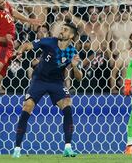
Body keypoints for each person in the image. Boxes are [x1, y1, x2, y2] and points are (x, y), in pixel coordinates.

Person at [12, 23, 82, 158]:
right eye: (62, 28)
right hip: (39, 80)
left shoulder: (72, 52)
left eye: (65, 30)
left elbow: (79, 78)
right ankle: (17, 149)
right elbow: (28, 45)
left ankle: (68, 147)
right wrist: (21, 50)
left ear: (72, 36)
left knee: (67, 103)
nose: (62, 31)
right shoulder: (49, 42)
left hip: (56, 82)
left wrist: (74, 67)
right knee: (27, 106)